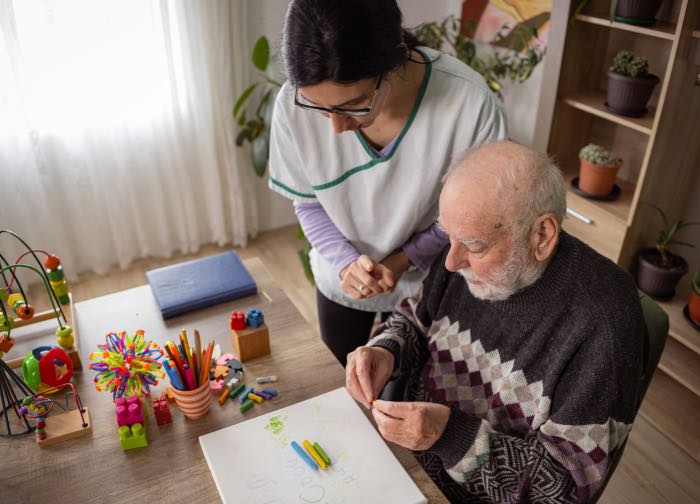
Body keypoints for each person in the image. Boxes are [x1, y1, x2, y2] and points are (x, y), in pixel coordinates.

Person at [346, 141, 645, 503]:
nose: (451, 262)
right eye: (448, 237)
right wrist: (386, 350)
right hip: (402, 462)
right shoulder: (465, 249)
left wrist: (449, 436)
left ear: (542, 235)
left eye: (474, 246)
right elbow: (416, 318)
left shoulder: (603, 325)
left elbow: (565, 490)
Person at [268, 0, 507, 366]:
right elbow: (309, 202)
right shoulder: (291, 105)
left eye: (356, 104)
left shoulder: (469, 104)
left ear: (395, 58)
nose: (336, 127)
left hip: (431, 284)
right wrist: (346, 263)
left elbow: (469, 215)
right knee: (344, 385)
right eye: (320, 108)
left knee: (410, 393)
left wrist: (404, 259)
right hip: (341, 277)